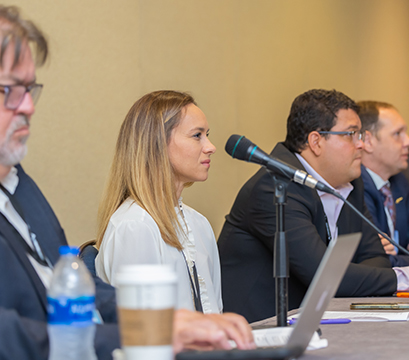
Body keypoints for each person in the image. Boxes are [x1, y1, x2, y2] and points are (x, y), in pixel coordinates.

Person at [0, 6, 253, 359]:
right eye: (10, 89)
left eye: (30, 89)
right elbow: (8, 336)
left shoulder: (21, 189)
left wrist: (169, 322)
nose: (29, 106)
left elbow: (87, 295)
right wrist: (151, 331)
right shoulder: (133, 224)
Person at [218, 89, 409, 323]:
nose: (361, 144)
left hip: (322, 321)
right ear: (316, 141)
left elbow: (374, 258)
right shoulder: (275, 187)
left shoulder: (348, 182)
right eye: (351, 134)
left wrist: (351, 275)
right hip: (259, 332)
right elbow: (324, 275)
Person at [95, 91, 222, 314]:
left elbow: (215, 311)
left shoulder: (200, 224)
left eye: (207, 135)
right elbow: (141, 332)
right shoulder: (135, 226)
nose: (210, 146)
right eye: (197, 136)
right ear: (157, 144)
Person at [357, 101, 409, 267]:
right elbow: (377, 259)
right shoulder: (356, 186)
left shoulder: (399, 182)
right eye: (397, 134)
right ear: (368, 141)